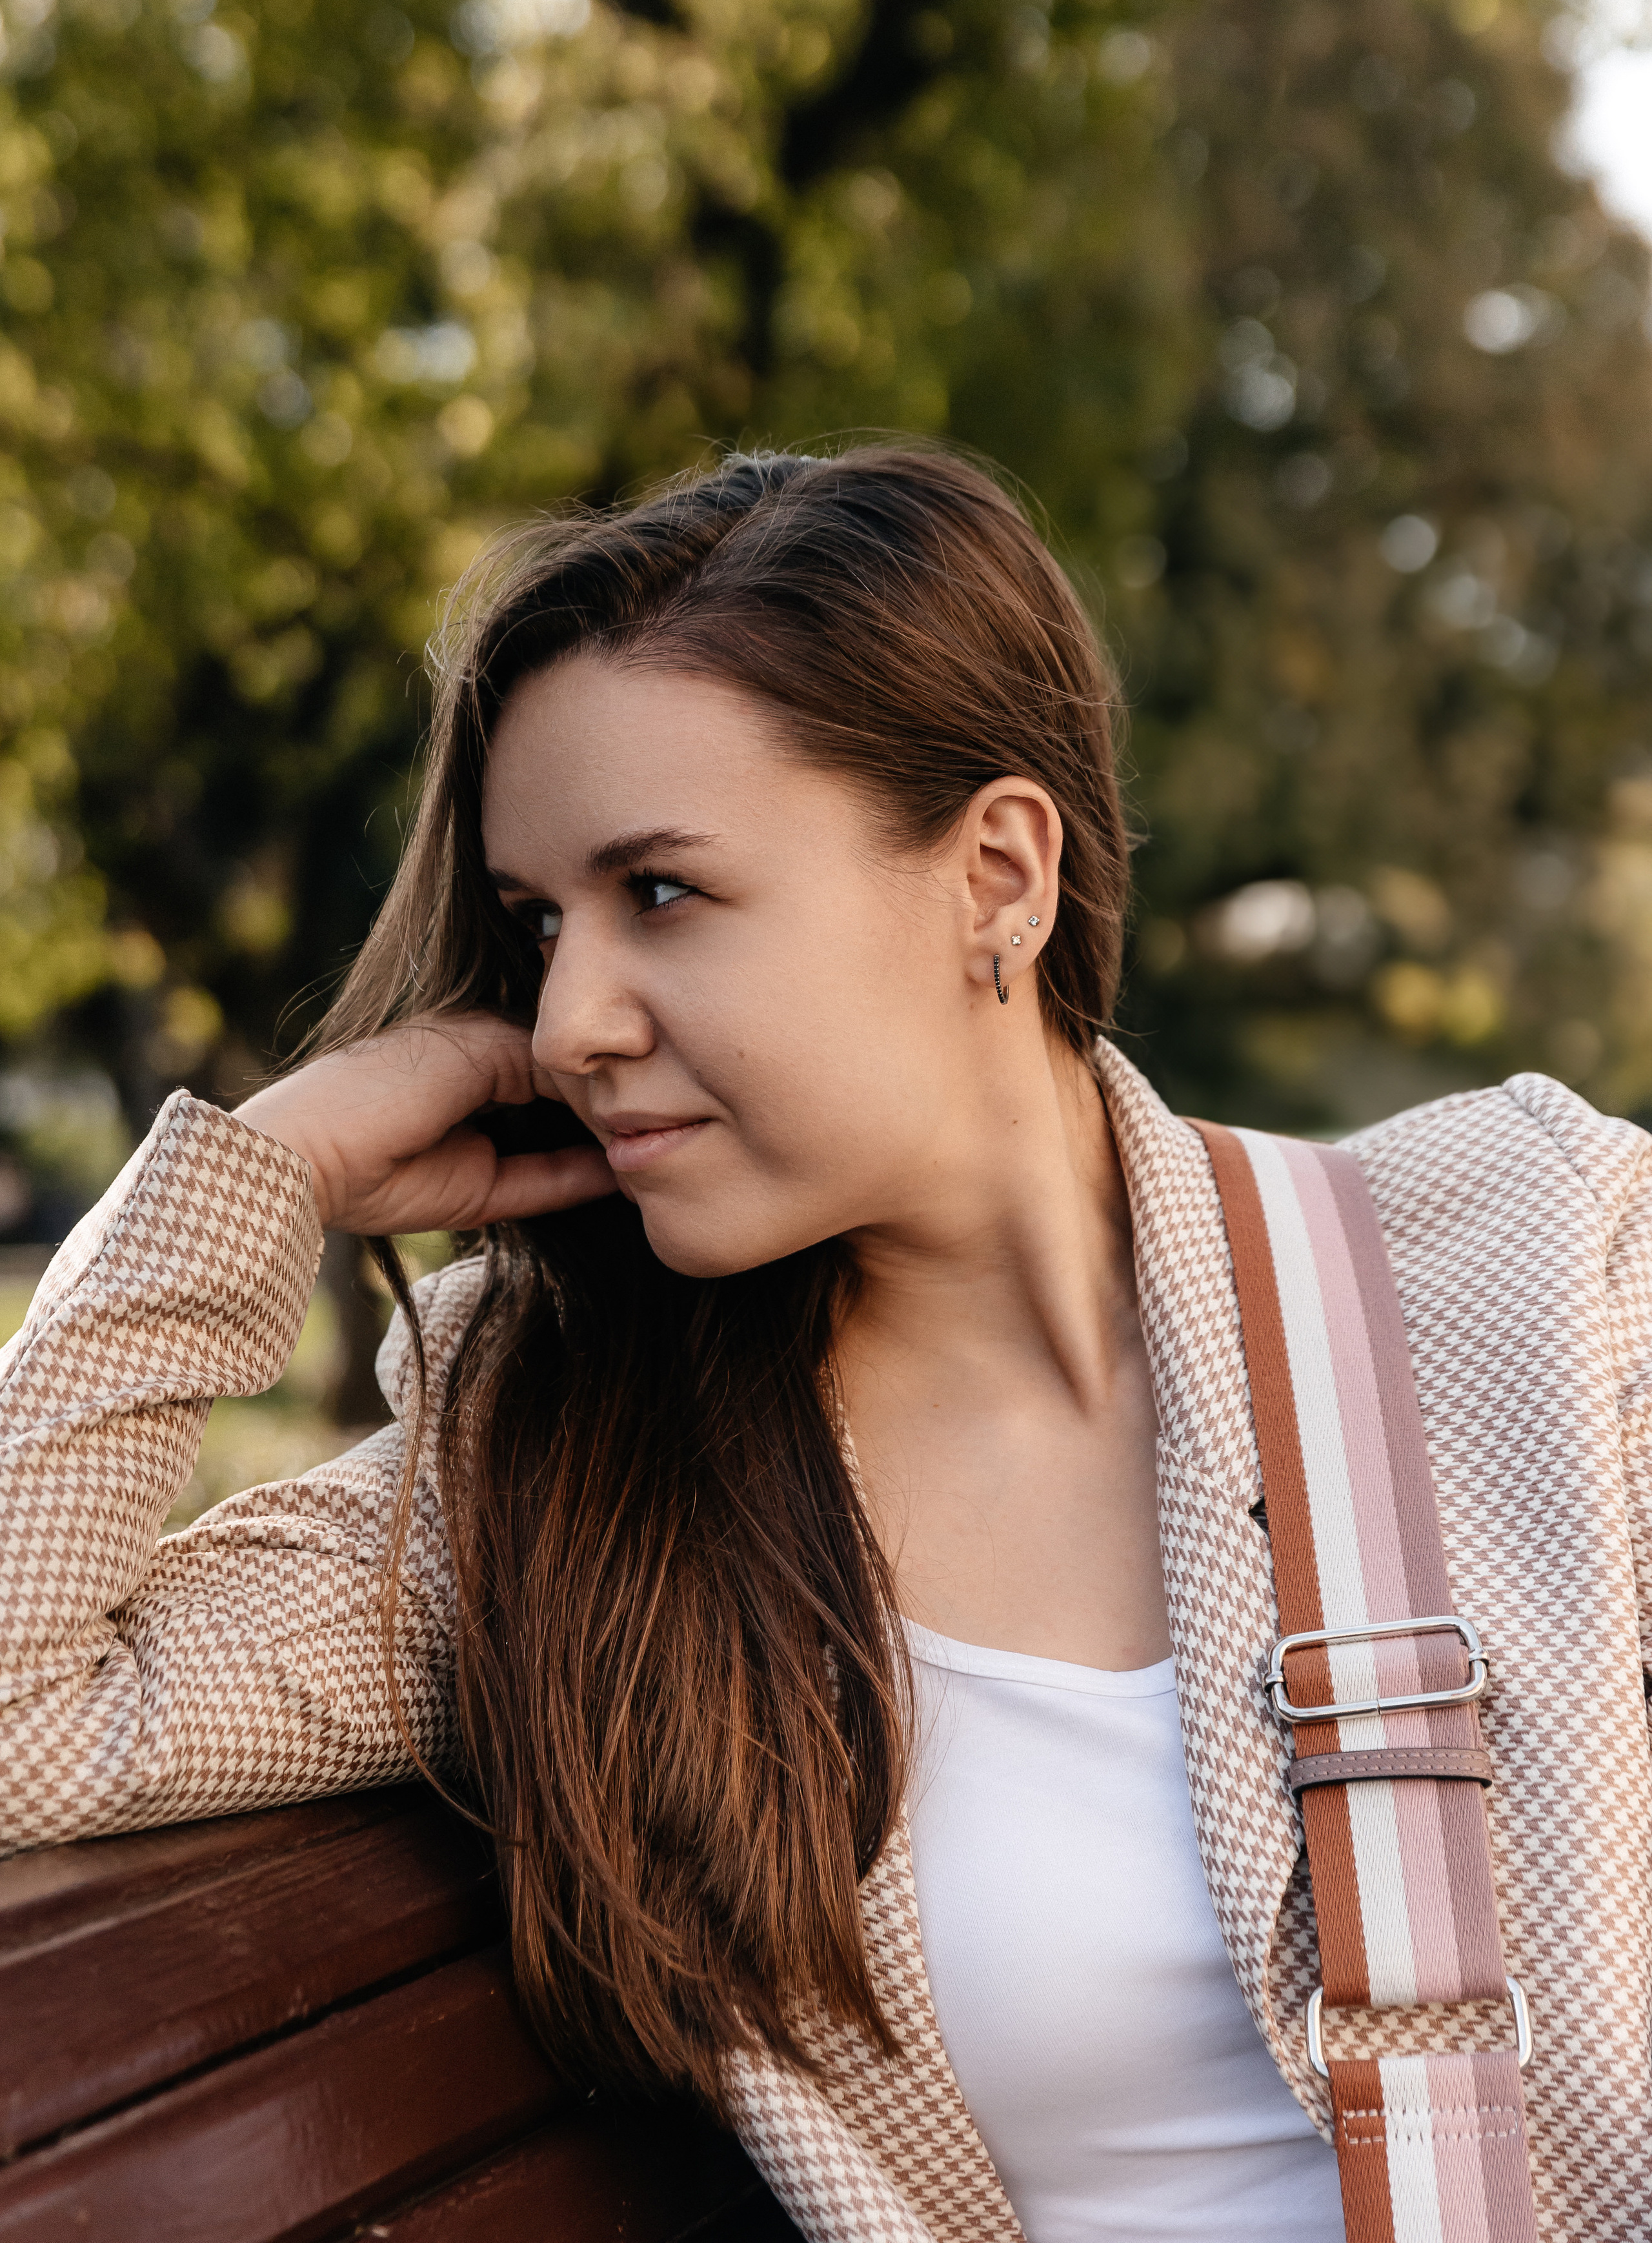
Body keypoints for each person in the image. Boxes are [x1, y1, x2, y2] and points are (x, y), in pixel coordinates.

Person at [1, 445, 1647, 2243]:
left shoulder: (1544, 1261)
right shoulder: (565, 1477)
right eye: (540, 925)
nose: (566, 1022)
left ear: (996, 875)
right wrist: (266, 1172)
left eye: (662, 894)